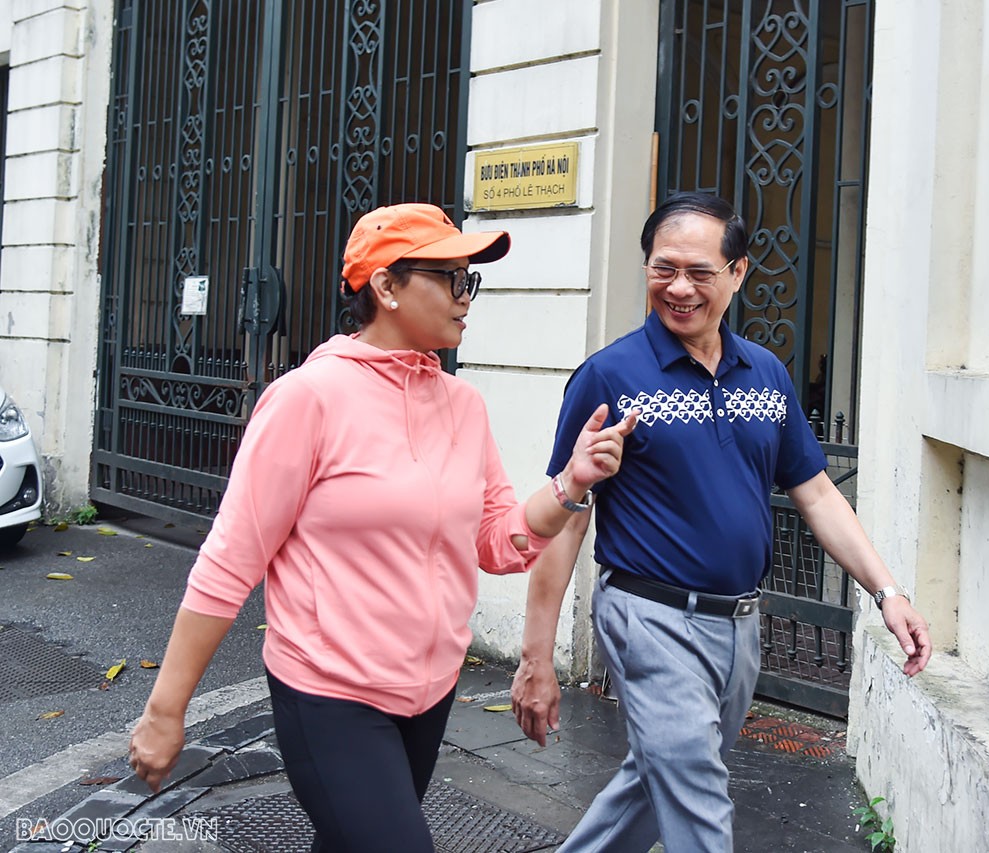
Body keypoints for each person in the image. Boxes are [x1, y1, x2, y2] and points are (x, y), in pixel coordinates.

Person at [129, 203, 637, 852]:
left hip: (427, 695)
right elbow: (230, 560)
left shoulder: (463, 406)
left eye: (469, 280)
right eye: (451, 278)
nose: (466, 297)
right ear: (386, 286)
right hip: (329, 692)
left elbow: (495, 538)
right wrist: (166, 709)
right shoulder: (308, 398)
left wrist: (571, 483)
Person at [511, 192, 932, 852]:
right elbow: (566, 520)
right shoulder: (609, 376)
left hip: (738, 626)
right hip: (649, 617)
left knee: (656, 782)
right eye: (662, 268)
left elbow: (817, 493)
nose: (678, 287)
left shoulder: (764, 374)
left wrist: (887, 591)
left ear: (738, 272)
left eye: (700, 272)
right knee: (698, 797)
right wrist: (536, 658)